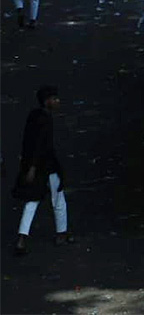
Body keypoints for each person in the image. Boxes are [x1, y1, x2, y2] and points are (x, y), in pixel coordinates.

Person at [12, 86, 71, 254]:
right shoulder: (45, 120)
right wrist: (33, 166)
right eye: (54, 99)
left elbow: (29, 143)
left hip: (37, 165)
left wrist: (29, 165)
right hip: (45, 166)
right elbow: (41, 145)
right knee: (58, 199)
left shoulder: (34, 116)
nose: (57, 101)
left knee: (32, 201)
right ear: (47, 102)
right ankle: (61, 233)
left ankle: (22, 238)